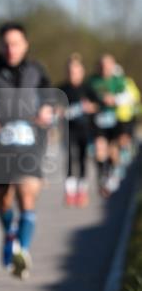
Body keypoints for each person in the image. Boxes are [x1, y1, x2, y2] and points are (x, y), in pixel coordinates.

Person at [0, 22, 53, 280]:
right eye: (6, 44)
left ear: (25, 45)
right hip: (0, 144)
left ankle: (23, 250)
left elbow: (50, 95)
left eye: (15, 43)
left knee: (27, 194)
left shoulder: (36, 70)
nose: (10, 49)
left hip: (31, 142)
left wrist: (47, 108)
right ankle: (9, 235)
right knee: (4, 197)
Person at [57, 53, 98, 206]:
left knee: (82, 159)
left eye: (75, 71)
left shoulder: (88, 88)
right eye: (70, 72)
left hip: (84, 128)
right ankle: (69, 192)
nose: (73, 74)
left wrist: (89, 107)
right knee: (68, 159)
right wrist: (60, 111)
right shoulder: (62, 88)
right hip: (68, 130)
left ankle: (82, 192)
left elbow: (98, 105)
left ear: (82, 72)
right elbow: (54, 107)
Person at [87, 53, 128, 196]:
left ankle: (112, 174)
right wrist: (91, 105)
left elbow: (127, 97)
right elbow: (86, 98)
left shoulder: (119, 80)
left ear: (113, 65)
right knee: (99, 148)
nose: (105, 68)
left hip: (116, 119)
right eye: (102, 65)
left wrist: (114, 99)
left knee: (113, 151)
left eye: (108, 65)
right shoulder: (92, 80)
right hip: (99, 120)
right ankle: (102, 174)